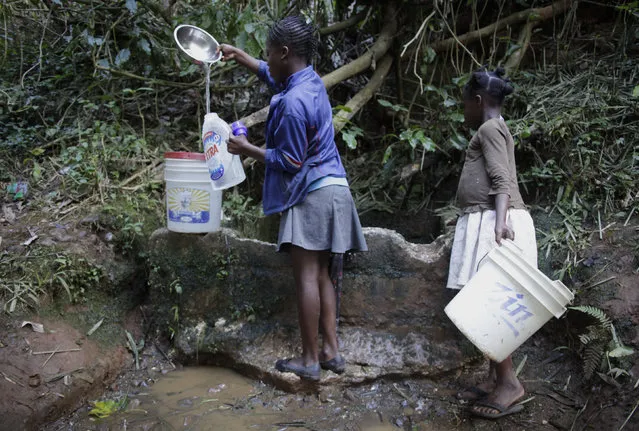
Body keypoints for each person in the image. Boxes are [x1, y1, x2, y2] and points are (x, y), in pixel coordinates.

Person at [218, 16, 367, 381]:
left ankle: (309, 359)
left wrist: (246, 148)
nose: (265, 58)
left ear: (284, 52)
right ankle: (331, 351)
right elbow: (274, 76)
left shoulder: (291, 104)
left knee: (305, 276)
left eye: (268, 53)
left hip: (311, 193)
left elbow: (289, 160)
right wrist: (241, 57)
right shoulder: (310, 81)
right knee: (322, 276)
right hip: (335, 189)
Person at [447, 66, 538, 419]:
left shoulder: (488, 128)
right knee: (486, 304)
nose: (464, 109)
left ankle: (509, 383)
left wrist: (500, 224)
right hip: (485, 218)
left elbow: (501, 178)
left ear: (479, 100)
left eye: (465, 102)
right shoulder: (493, 128)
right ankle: (493, 377)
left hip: (494, 221)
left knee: (493, 307)